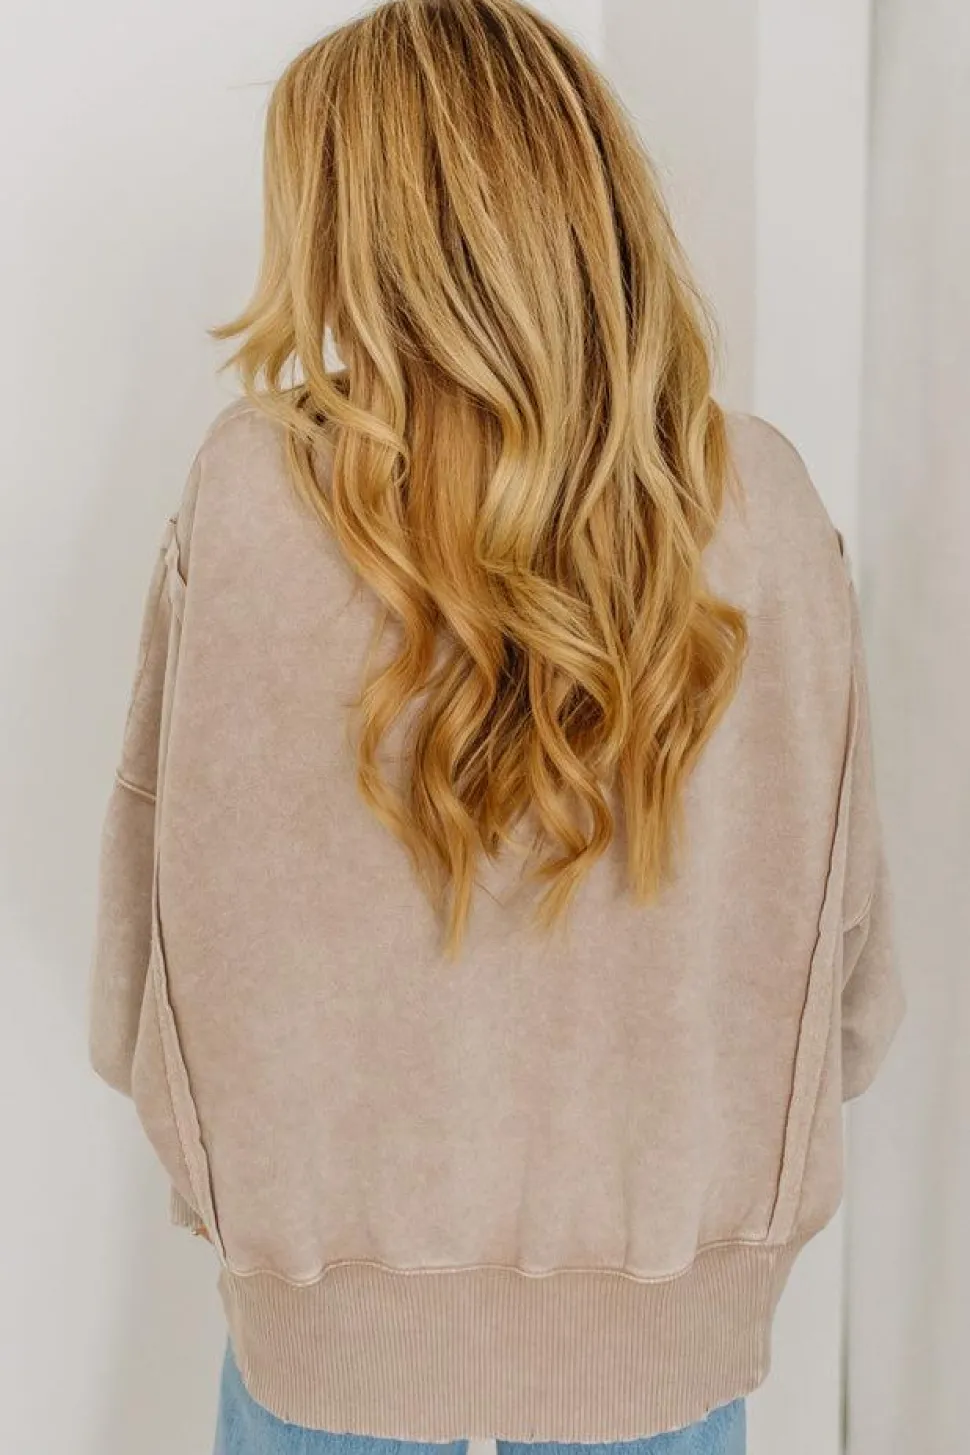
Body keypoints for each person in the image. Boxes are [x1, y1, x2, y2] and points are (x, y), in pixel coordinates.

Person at [88, 3, 906, 1453]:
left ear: (360, 227)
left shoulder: (255, 492)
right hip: (665, 1316)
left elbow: (158, 912)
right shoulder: (762, 502)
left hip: (322, 1313)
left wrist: (232, 1178)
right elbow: (842, 946)